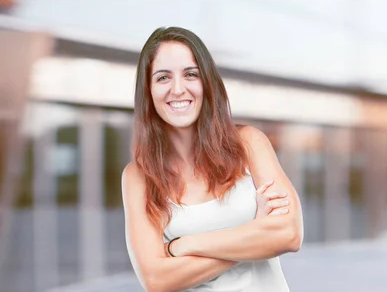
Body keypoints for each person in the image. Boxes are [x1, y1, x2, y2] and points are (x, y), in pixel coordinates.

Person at [122, 26, 304, 292]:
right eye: (163, 78)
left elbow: (289, 234)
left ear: (207, 81)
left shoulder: (249, 144)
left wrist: (182, 245)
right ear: (148, 90)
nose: (177, 89)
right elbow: (157, 280)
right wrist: (255, 234)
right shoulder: (138, 177)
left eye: (190, 74)